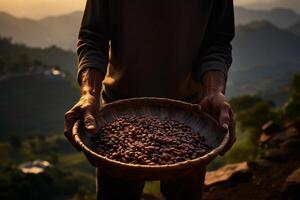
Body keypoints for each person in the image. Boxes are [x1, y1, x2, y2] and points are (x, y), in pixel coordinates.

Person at [64, 0, 236, 199]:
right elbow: (93, 37)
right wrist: (90, 93)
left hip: (192, 116)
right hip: (118, 115)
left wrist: (213, 92)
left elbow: (217, 41)